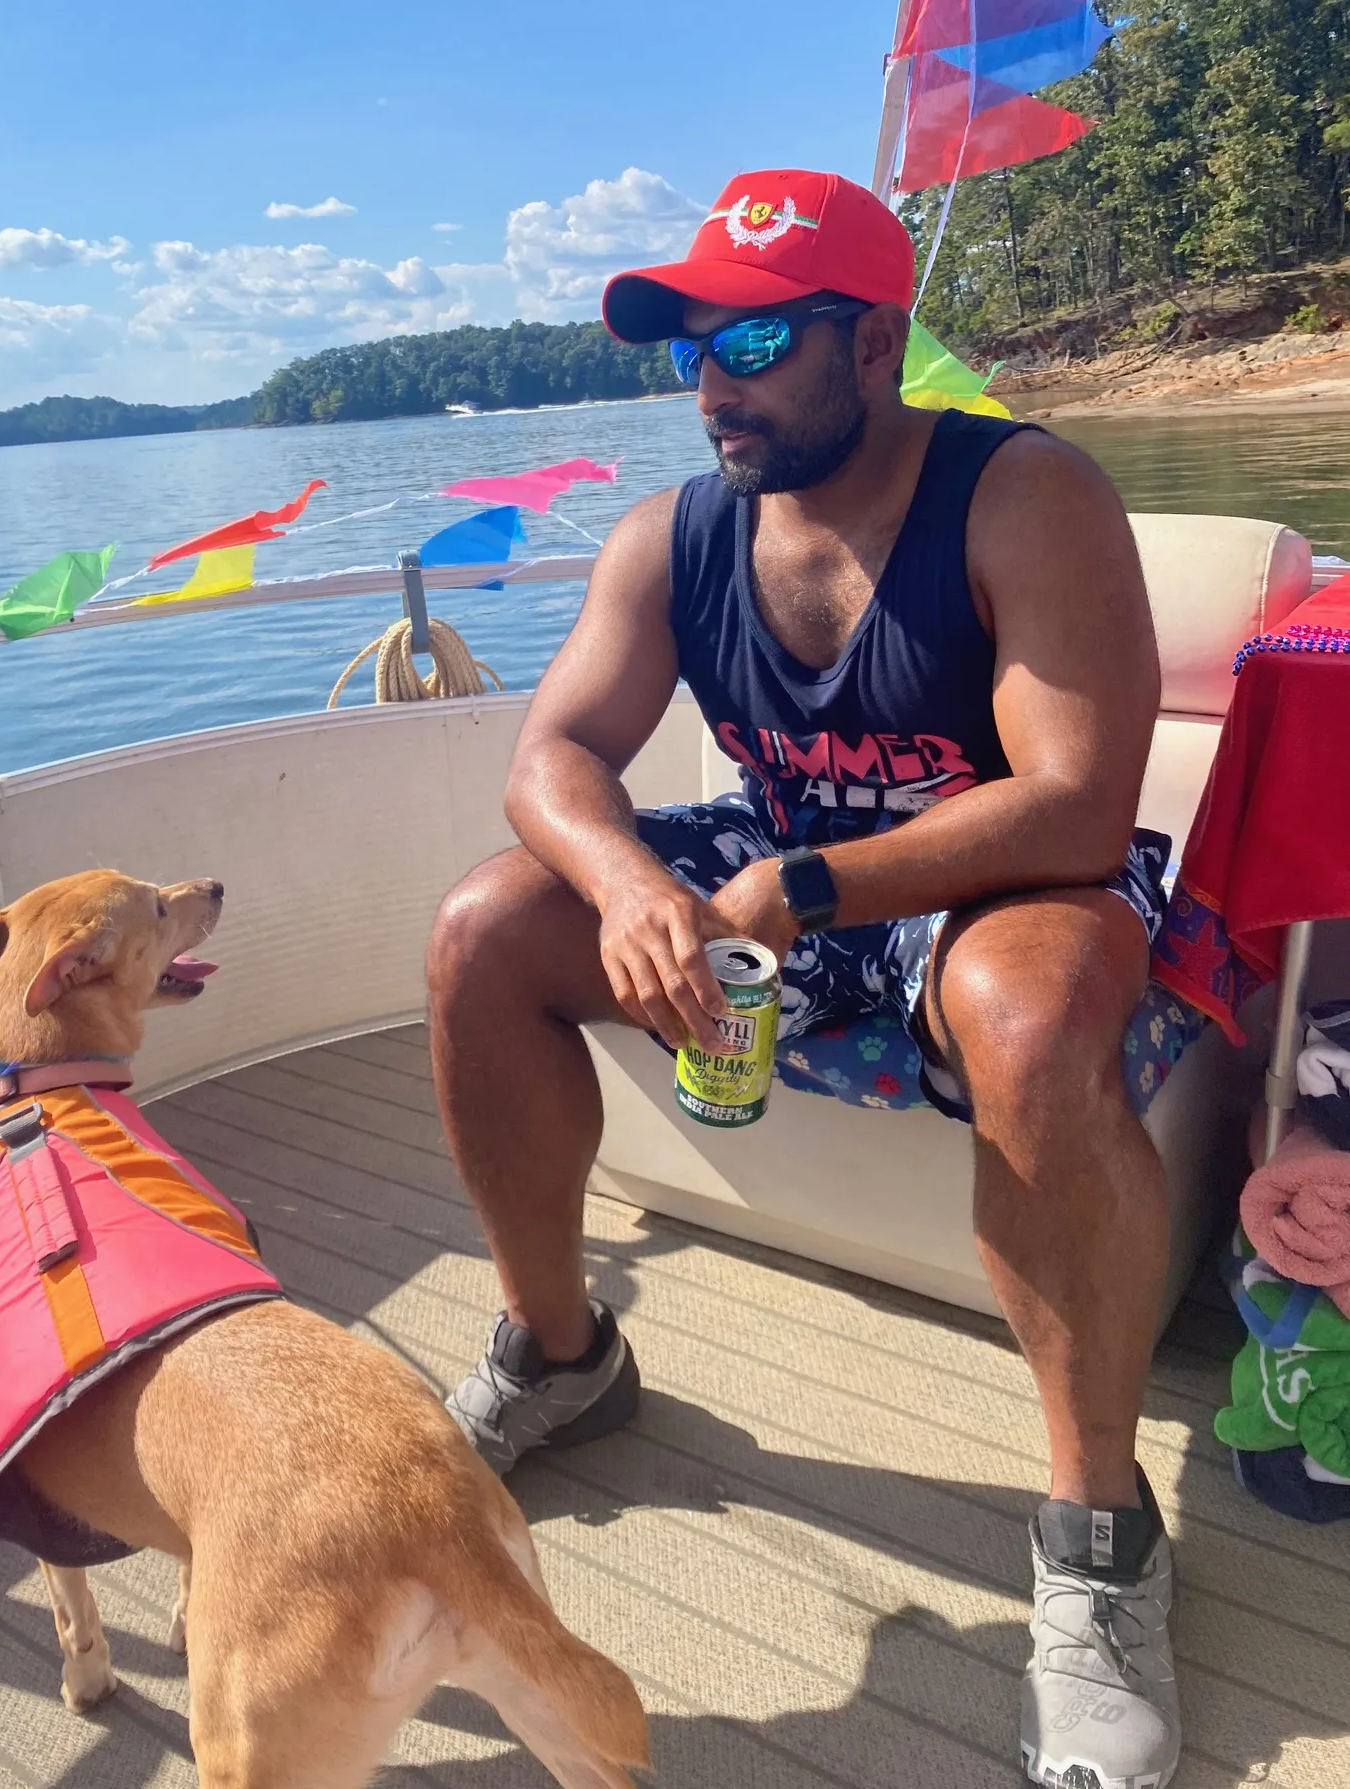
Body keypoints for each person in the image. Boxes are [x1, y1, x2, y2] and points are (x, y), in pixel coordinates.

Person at [428, 167, 1180, 1789]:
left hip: (992, 865)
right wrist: (633, 884)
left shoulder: (1023, 494)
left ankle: (1101, 1535)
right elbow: (554, 754)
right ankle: (562, 1358)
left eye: (756, 342)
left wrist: (800, 890)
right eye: (691, 347)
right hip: (780, 854)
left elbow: (1075, 802)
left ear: (876, 343)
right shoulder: (672, 537)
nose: (715, 384)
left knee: (1029, 1017)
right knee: (486, 930)